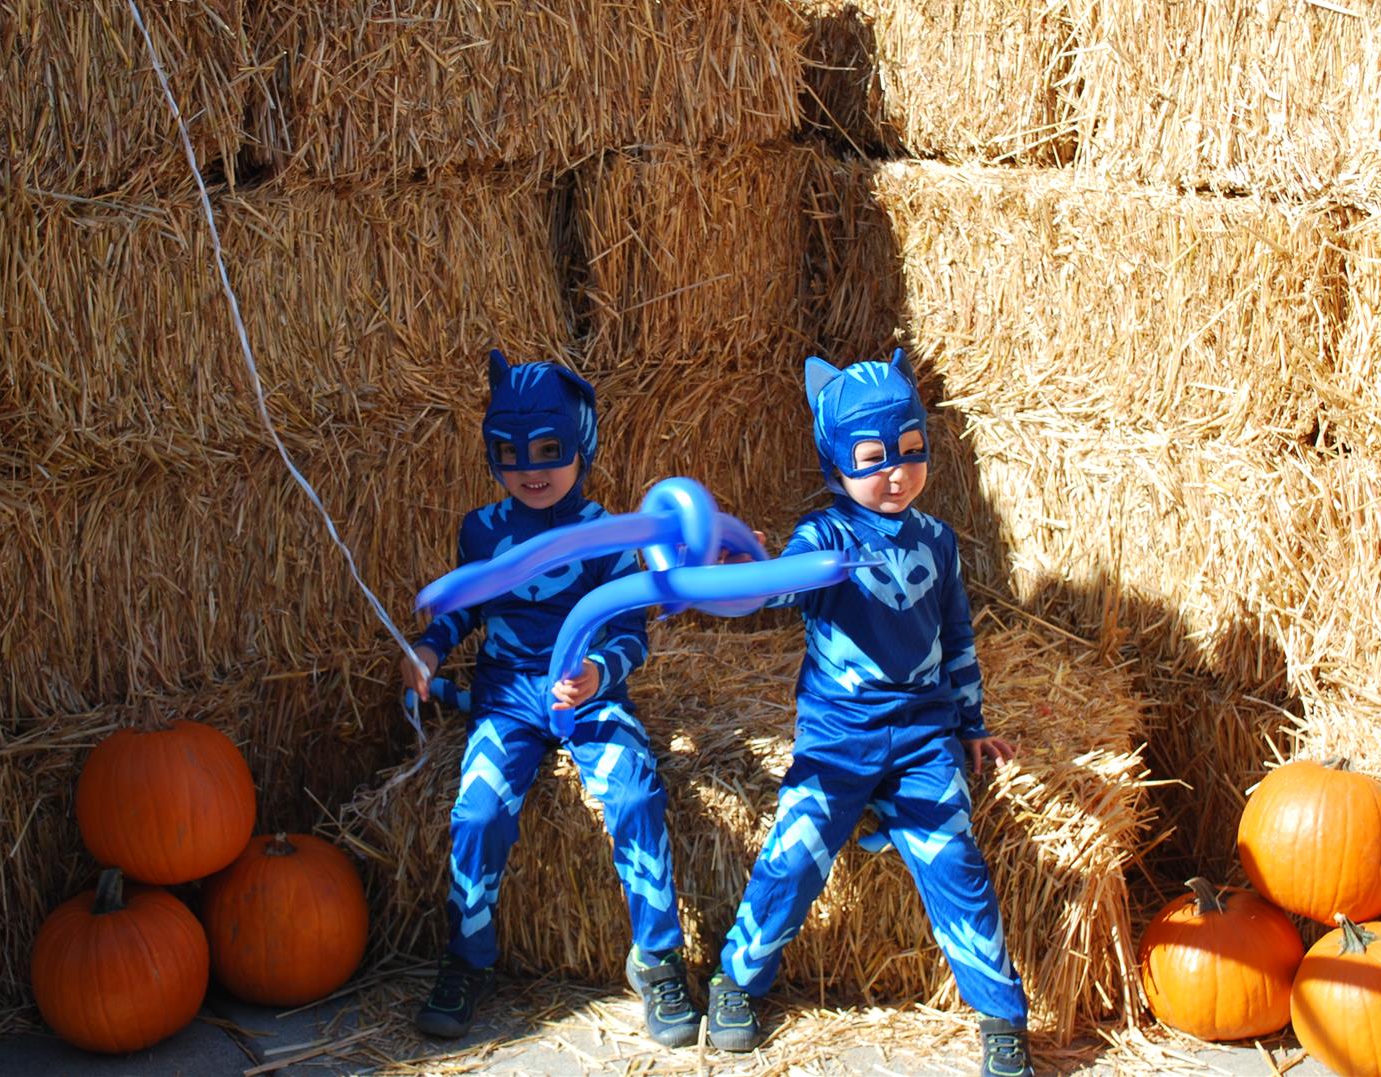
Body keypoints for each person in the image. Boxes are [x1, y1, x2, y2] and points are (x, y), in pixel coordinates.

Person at [706, 350, 1034, 1077]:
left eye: (912, 451)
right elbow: (771, 594)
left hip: (923, 736)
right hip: (838, 737)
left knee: (954, 860)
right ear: (836, 461)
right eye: (874, 456)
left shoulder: (938, 542)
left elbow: (956, 638)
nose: (897, 471)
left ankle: (1003, 1015)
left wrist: (971, 724)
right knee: (795, 847)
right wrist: (751, 570)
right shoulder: (824, 539)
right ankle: (737, 978)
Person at [401, 349, 701, 1046]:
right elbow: (461, 609)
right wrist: (427, 650)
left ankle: (657, 957)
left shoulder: (608, 534)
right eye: (511, 453)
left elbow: (632, 630)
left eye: (550, 449)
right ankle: (468, 956)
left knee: (633, 795)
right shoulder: (483, 530)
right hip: (507, 699)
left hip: (589, 701)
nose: (532, 469)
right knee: (477, 811)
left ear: (580, 445)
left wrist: (598, 671)